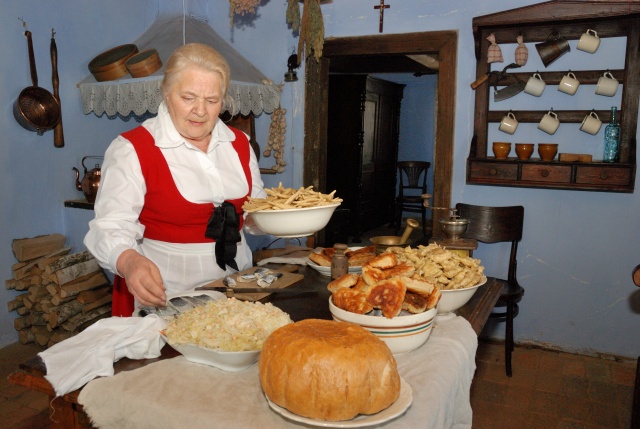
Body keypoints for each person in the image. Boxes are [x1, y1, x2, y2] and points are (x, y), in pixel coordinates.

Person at [84, 43, 266, 316]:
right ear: (166, 93)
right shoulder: (133, 149)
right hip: (169, 295)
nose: (200, 111)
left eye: (212, 100)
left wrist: (278, 218)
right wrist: (129, 260)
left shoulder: (240, 144)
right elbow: (109, 226)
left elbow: (255, 212)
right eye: (188, 97)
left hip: (237, 289)